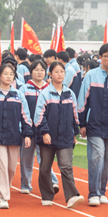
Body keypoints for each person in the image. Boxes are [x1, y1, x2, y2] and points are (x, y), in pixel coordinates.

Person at [0, 61, 32, 209]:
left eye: (11, 74)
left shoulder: (19, 95)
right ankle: (3, 197)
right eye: (5, 74)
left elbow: (26, 117)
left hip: (14, 137)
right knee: (1, 165)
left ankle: (4, 189)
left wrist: (27, 134)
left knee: (11, 168)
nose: (9, 77)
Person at [77, 43, 108, 206]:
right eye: (107, 56)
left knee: (105, 158)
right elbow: (82, 100)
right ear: (100, 58)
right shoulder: (91, 75)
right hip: (94, 123)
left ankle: (102, 191)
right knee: (96, 156)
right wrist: (82, 123)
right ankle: (93, 193)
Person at [33, 61, 84, 208]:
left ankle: (72, 196)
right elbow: (39, 116)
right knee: (45, 167)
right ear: (50, 74)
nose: (60, 74)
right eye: (56, 71)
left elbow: (74, 115)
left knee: (66, 166)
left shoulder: (70, 93)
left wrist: (74, 132)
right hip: (47, 137)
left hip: (66, 136)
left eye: (62, 71)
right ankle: (47, 195)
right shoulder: (45, 93)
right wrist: (45, 132)